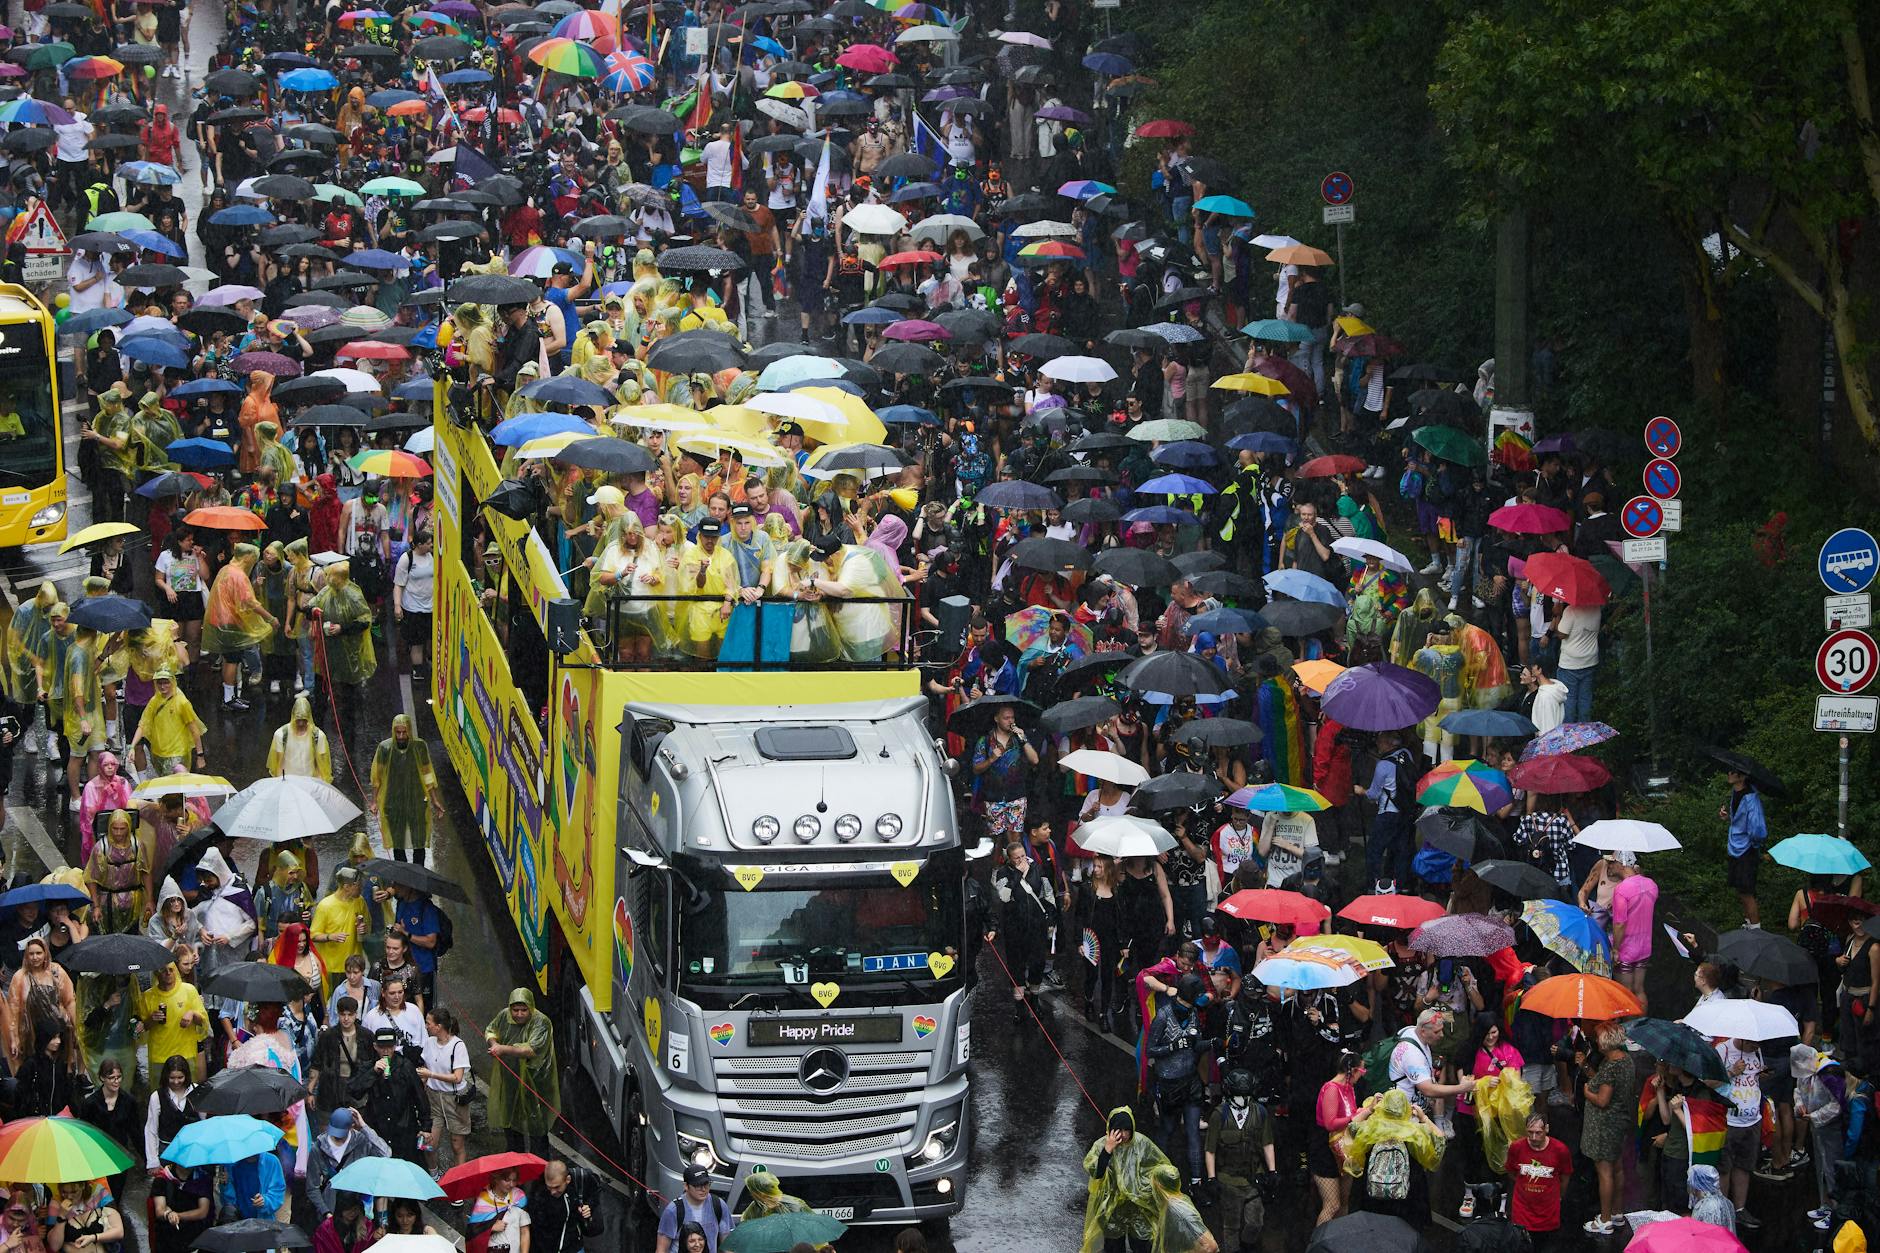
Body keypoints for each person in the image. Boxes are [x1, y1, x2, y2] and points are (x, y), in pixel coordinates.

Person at [1147, 973, 1210, 1189]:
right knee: (1167, 1130)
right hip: (1169, 1084)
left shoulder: (1193, 1014)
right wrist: (1174, 1046)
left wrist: (1214, 1044)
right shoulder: (1163, 1016)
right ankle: (1161, 1179)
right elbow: (1150, 1050)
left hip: (1190, 1081)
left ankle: (1196, 1182)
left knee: (1193, 1132)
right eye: (1199, 994)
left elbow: (1196, 1044)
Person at [1081, 1107, 1171, 1253]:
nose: (1122, 1135)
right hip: (1112, 1208)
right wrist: (1107, 1150)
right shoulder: (1101, 1145)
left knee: (1142, 1245)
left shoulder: (1142, 1143)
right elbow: (1096, 1173)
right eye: (1118, 1130)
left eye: (1126, 1130)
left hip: (1138, 1206)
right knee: (1113, 1247)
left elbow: (1159, 1165)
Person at [1578, 1021, 1639, 1235]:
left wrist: (1587, 1093)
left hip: (1605, 1126)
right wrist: (1586, 1067)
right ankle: (1617, 1213)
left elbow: (1603, 1100)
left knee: (1604, 1172)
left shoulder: (1611, 1065)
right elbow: (1606, 1085)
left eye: (1598, 1039)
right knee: (1618, 1168)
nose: (1596, 1042)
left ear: (1605, 1042)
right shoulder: (1625, 1061)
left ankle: (1604, 1221)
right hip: (1620, 1122)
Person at [1204, 1068, 1274, 1251]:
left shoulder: (1260, 1113)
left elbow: (1267, 1143)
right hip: (1228, 1180)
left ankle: (1247, 1245)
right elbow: (1210, 1150)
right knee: (1231, 1226)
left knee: (1255, 1222)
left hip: (1253, 1178)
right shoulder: (1219, 1115)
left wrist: (1272, 1171)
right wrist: (1211, 1178)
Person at [485, 987, 559, 1157]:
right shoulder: (504, 1016)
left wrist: (502, 1048)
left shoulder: (542, 1022)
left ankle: (539, 1167)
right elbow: (491, 1029)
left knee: (537, 1126)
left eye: (523, 1010)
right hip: (511, 1079)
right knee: (511, 1121)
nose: (519, 1014)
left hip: (536, 1082)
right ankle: (515, 1163)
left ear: (531, 1008)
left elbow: (532, 1049)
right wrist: (493, 1042)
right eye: (515, 1010)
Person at [369, 714, 443, 866]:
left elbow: (427, 773)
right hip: (393, 801)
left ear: (409, 730)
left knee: (419, 839)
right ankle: (403, 876)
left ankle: (418, 873)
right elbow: (377, 776)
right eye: (398, 732)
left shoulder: (419, 747)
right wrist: (374, 801)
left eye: (404, 732)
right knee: (397, 840)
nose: (401, 736)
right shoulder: (385, 748)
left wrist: (434, 799)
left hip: (417, 799)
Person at [349, 1026, 426, 1164]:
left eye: (390, 1047)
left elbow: (420, 1097)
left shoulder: (405, 1066)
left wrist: (426, 1127)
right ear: (375, 1046)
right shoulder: (368, 1066)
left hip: (403, 1128)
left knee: (406, 1168)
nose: (386, 1051)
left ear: (395, 1046)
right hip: (378, 1128)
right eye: (382, 1047)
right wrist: (373, 1072)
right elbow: (355, 1091)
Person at [305, 1109, 389, 1223]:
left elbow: (385, 1154)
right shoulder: (318, 1148)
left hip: (359, 1210)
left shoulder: (362, 1141)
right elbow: (312, 1188)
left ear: (351, 1126)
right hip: (331, 1212)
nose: (337, 1136)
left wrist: (364, 1126)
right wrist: (326, 1212)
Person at [418, 1006, 472, 1181]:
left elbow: (457, 1078)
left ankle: (459, 1181)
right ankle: (434, 1176)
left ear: (439, 1026)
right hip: (433, 1098)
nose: (426, 1025)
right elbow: (426, 1067)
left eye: (428, 1022)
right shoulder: (429, 1042)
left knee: (457, 1145)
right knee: (429, 1143)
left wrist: (430, 1075)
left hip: (454, 1100)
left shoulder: (458, 1046)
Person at [1504, 1112, 1571, 1247]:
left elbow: (1565, 1178)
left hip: (1548, 1214)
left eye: (1538, 1132)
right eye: (1530, 1132)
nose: (1534, 1137)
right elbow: (1511, 1172)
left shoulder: (1560, 1150)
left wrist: (1558, 1197)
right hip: (1522, 1212)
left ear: (1546, 1129)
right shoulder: (1516, 1147)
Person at [1608, 852, 1658, 1012]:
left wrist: (1615, 949)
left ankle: (1629, 1031)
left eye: (1613, 862)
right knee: (1639, 989)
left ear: (1622, 864)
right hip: (1645, 947)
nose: (1610, 865)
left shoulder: (1621, 889)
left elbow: (1620, 924)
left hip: (1627, 949)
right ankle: (1642, 1028)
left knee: (1625, 994)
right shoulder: (1651, 884)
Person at [310, 868, 372, 996]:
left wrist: (364, 929)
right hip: (332, 967)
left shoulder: (359, 901)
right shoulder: (325, 905)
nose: (362, 887)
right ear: (347, 886)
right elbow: (313, 935)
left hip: (355, 964)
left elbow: (368, 926)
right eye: (358, 885)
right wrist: (330, 936)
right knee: (332, 1000)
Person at [1723, 766, 1769, 928]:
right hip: (1734, 847)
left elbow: (1758, 829)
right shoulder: (1736, 793)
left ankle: (1756, 929)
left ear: (1741, 777)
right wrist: (1728, 817)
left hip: (1747, 850)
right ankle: (1748, 923)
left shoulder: (1750, 798)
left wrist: (1755, 845)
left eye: (1732, 772)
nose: (1729, 774)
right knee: (1741, 891)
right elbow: (1739, 820)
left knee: (1747, 892)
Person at [309, 997, 367, 1120]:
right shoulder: (327, 1036)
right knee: (328, 1128)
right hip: (330, 1090)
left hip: (357, 1090)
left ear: (356, 1014)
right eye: (343, 1014)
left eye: (350, 1015)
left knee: (357, 1129)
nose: (346, 1019)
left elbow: (372, 1065)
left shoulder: (366, 1036)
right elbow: (316, 1064)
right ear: (338, 1014)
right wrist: (310, 1091)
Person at [527, 1161, 603, 1253]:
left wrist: (588, 1206)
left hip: (574, 1247)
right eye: (549, 1187)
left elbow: (595, 1189)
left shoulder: (578, 1179)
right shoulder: (538, 1194)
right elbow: (536, 1229)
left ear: (568, 1179)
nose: (552, 1192)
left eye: (557, 1187)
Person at [654, 1165, 734, 1253]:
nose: (703, 1189)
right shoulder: (673, 1211)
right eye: (697, 1185)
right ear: (686, 1186)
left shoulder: (719, 1205)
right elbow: (661, 1249)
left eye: (706, 1184)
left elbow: (728, 1246)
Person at [144, 1054, 200, 1170]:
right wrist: (153, 1162)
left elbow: (205, 1124)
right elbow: (151, 1130)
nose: (176, 1082)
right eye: (172, 1078)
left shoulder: (198, 1091)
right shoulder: (157, 1097)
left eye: (180, 1077)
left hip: (192, 1152)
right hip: (167, 1153)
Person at [268, 695, 332, 781]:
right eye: (298, 720)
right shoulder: (281, 735)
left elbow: (321, 766)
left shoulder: (318, 736)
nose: (301, 724)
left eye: (304, 720)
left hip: (310, 783)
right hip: (288, 783)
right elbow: (278, 765)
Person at [467, 1167, 530, 1253]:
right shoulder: (483, 1199)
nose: (511, 1184)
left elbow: (525, 1231)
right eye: (507, 1180)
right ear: (496, 1179)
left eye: (514, 1180)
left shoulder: (519, 1197)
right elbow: (473, 1232)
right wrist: (491, 1227)